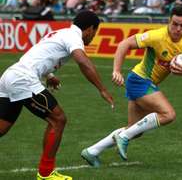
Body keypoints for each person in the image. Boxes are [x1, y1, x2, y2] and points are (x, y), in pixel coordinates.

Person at [81, 4, 182, 166]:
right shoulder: (156, 36)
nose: (178, 29)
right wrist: (116, 70)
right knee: (168, 115)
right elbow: (124, 44)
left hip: (146, 83)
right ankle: (122, 137)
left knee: (134, 130)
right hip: (139, 79)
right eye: (174, 24)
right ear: (169, 21)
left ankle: (92, 151)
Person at [0, 10, 114, 179]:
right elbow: (83, 61)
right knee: (58, 120)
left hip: (10, 76)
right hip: (22, 79)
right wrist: (102, 89)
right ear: (90, 29)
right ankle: (46, 173)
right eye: (95, 32)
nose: (93, 37)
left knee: (1, 127)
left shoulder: (61, 33)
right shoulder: (74, 37)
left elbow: (39, 57)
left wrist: (50, 76)